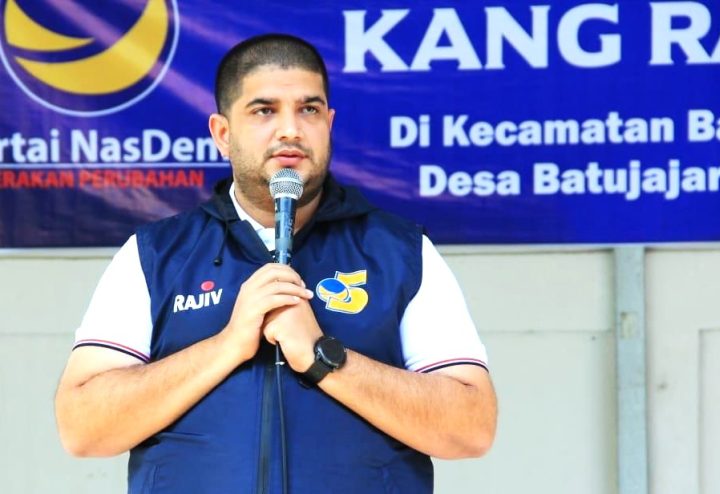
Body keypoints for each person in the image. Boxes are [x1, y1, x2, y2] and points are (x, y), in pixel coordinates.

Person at [55, 33, 497, 493]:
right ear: (222, 134)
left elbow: (472, 428)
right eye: (264, 110)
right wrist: (228, 344)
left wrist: (323, 357)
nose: (290, 130)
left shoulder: (400, 251)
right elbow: (83, 429)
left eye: (309, 110)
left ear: (329, 123)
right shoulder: (156, 254)